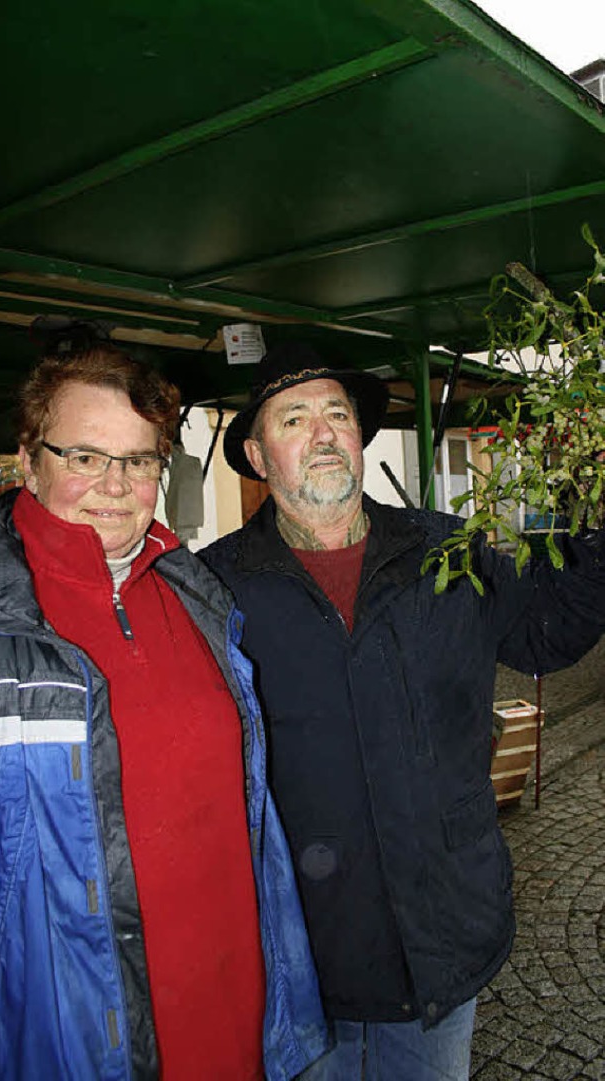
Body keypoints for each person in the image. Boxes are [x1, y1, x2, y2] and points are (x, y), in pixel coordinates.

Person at [201, 340, 605, 1081]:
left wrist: (597, 534)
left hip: (440, 952)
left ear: (359, 436)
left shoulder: (448, 554)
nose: (323, 433)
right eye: (294, 419)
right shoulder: (214, 590)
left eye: (337, 413)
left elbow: (548, 634)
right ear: (259, 455)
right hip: (299, 965)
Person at [0, 344, 328, 1081]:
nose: (116, 484)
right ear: (30, 458)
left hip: (239, 1022)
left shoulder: (197, 594)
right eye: (85, 456)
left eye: (139, 460)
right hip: (72, 1044)